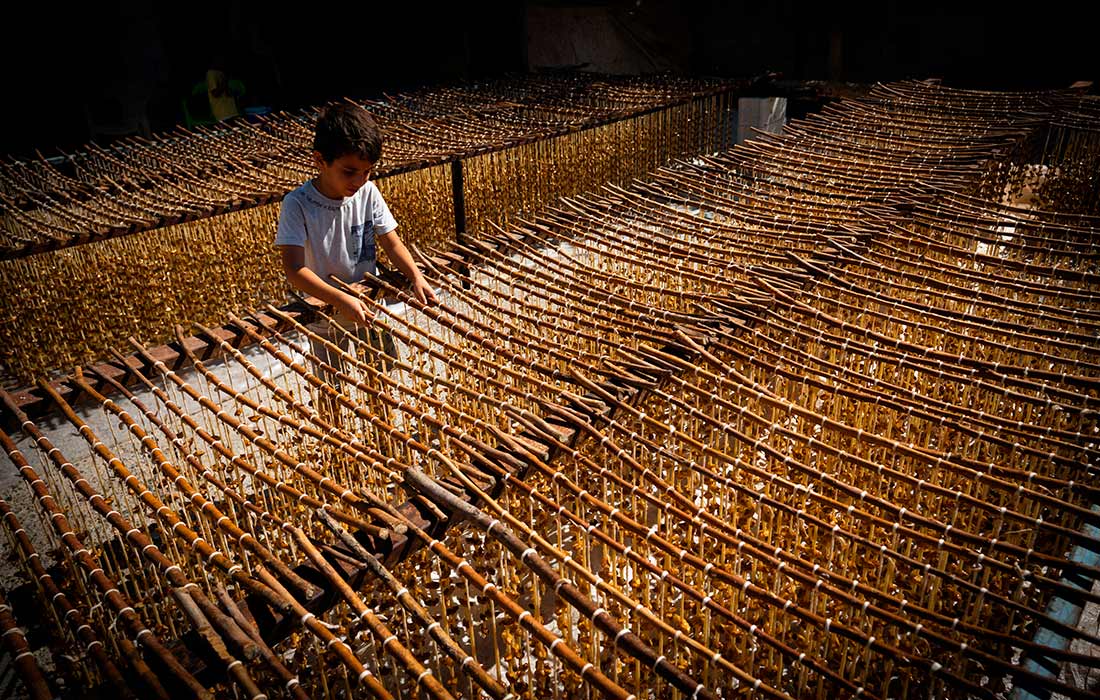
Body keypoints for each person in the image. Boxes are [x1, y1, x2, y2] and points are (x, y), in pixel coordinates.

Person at [275, 101, 437, 421]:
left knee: (381, 387)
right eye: (349, 171)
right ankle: (341, 458)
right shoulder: (298, 204)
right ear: (320, 161)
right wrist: (340, 298)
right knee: (331, 394)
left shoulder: (367, 193)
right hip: (325, 318)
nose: (359, 180)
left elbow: (391, 241)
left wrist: (415, 276)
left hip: (370, 310)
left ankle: (384, 443)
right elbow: (294, 269)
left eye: (366, 171)